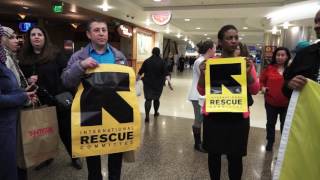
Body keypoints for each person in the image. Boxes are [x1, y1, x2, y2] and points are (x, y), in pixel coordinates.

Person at [61, 18, 127, 180]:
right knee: (92, 152)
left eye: (104, 30)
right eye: (96, 30)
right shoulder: (78, 57)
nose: (101, 34)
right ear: (88, 34)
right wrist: (81, 66)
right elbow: (66, 81)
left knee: (116, 151)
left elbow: (126, 84)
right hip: (89, 110)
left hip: (115, 110)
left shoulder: (118, 56)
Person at [197, 25, 260, 180]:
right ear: (220, 42)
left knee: (236, 158)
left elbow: (255, 89)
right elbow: (201, 91)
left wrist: (248, 73)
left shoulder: (245, 63)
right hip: (214, 116)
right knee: (213, 156)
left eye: (236, 38)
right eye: (229, 38)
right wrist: (203, 73)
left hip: (238, 118)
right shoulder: (211, 62)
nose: (234, 41)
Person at [19, 26, 82, 170]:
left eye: (39, 34)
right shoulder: (23, 58)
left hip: (58, 99)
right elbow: (20, 79)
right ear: (29, 38)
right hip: (38, 102)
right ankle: (46, 157)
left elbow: (67, 75)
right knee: (43, 131)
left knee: (65, 131)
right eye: (33, 35)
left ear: (44, 37)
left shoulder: (55, 54)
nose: (36, 37)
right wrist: (28, 80)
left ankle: (75, 156)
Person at [0, 24, 36, 180]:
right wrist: (23, 96)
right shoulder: (5, 59)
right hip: (4, 124)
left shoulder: (6, 58)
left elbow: (9, 86)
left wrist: (23, 92)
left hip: (10, 119)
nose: (16, 40)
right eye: (11, 37)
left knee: (14, 161)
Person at [282, 9, 320, 97]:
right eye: (316, 21)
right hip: (307, 108)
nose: (316, 26)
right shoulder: (304, 54)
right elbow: (285, 87)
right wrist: (290, 84)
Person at [260, 47, 291, 151]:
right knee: (270, 123)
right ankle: (270, 141)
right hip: (270, 102)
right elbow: (261, 81)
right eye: (278, 55)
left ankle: (284, 144)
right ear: (275, 56)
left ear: (287, 57)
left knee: (285, 125)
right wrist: (262, 87)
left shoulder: (291, 70)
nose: (280, 57)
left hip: (287, 104)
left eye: (283, 55)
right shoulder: (269, 68)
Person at [188, 40, 215, 153]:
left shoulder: (205, 60)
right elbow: (206, 78)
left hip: (202, 95)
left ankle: (202, 142)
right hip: (197, 95)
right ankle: (197, 144)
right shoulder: (201, 61)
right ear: (209, 50)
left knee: (203, 118)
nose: (215, 51)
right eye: (214, 48)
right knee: (199, 119)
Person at [137, 47, 173, 122]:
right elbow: (166, 74)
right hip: (158, 83)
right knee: (156, 99)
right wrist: (169, 83)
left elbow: (140, 72)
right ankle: (156, 112)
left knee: (148, 99)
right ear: (159, 53)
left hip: (147, 83)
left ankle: (147, 116)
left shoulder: (147, 61)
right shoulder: (162, 62)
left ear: (152, 52)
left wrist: (136, 80)